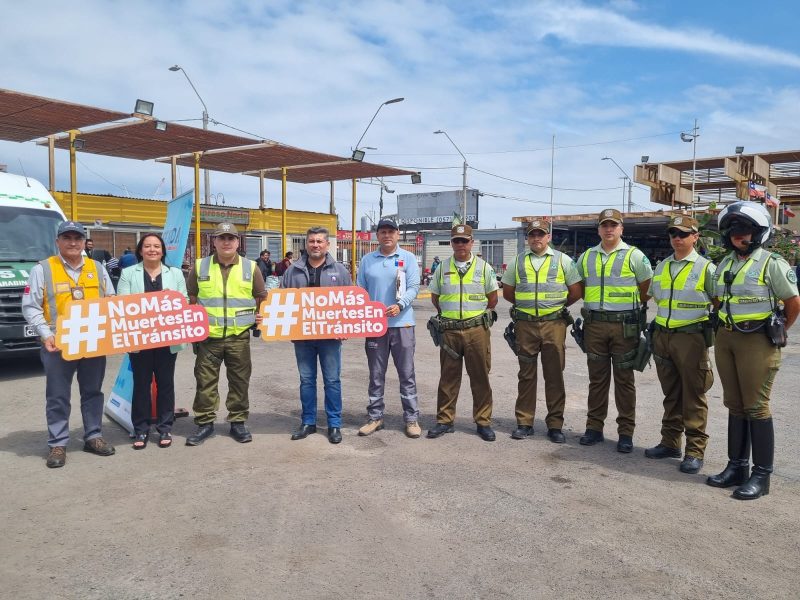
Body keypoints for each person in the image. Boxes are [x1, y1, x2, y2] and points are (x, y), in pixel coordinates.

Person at [707, 202, 799, 500]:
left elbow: (793, 302)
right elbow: (717, 298)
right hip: (727, 337)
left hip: (757, 340)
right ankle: (737, 467)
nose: (738, 235)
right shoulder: (725, 263)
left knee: (756, 406)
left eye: (745, 229)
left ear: (759, 233)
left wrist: (780, 327)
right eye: (733, 230)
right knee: (735, 404)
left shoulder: (772, 263)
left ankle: (761, 476)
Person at [22, 221, 116, 468]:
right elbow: (30, 306)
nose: (73, 242)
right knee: (57, 395)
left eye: (77, 238)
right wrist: (45, 334)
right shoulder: (43, 269)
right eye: (67, 238)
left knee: (93, 392)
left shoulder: (97, 268)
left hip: (93, 342)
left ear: (85, 242)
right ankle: (58, 443)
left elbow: (111, 300)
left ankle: (93, 436)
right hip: (58, 344)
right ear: (58, 242)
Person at [576, 208, 653, 453]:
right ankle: (594, 428)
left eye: (613, 225)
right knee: (597, 379)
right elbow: (579, 286)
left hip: (624, 327)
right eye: (604, 225)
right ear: (598, 229)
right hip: (595, 325)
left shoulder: (635, 256)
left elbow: (646, 288)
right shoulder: (586, 256)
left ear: (621, 228)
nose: (608, 229)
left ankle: (625, 433)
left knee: (624, 380)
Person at [644, 215, 716, 474]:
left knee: (694, 395)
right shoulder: (662, 266)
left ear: (695, 237)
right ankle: (670, 443)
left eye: (683, 234)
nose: (677, 237)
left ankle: (695, 451)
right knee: (671, 393)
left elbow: (718, 303)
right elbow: (653, 297)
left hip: (692, 338)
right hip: (664, 336)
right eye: (674, 233)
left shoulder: (706, 268)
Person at [501, 219, 582, 443]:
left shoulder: (563, 261)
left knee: (554, 375)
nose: (536, 238)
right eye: (532, 234)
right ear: (528, 238)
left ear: (548, 237)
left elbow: (575, 291)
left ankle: (555, 425)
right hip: (525, 325)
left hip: (553, 325)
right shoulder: (517, 262)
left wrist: (555, 308)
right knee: (526, 375)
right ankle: (524, 422)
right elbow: (508, 293)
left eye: (540, 234)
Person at [185, 222, 266, 446]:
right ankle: (205, 423)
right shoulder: (199, 267)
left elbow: (261, 298)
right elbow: (192, 298)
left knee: (239, 381)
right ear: (215, 241)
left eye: (231, 238)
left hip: (238, 337)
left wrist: (259, 318)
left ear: (238, 242)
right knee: (205, 381)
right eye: (222, 238)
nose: (226, 242)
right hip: (208, 338)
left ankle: (238, 422)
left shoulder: (251, 268)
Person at [427, 224, 499, 442]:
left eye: (464, 240)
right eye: (456, 241)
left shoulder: (484, 267)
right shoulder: (442, 268)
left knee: (480, 377)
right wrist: (448, 316)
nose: (460, 245)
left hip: (476, 329)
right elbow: (435, 297)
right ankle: (445, 421)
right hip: (449, 331)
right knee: (448, 378)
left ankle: (483, 422)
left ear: (472, 242)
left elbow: (493, 298)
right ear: (451, 243)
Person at [117, 233, 189, 449]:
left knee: (166, 384)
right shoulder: (129, 273)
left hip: (167, 340)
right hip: (140, 340)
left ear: (163, 250)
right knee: (141, 384)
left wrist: (172, 299)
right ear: (140, 250)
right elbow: (122, 303)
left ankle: (165, 427)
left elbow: (184, 301)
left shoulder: (175, 274)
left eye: (156, 246)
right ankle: (140, 429)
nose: (152, 250)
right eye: (147, 246)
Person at [282, 227, 353, 444]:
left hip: (330, 339)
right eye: (311, 241)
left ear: (327, 245)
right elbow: (282, 302)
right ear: (306, 244)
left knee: (332, 381)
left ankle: (334, 424)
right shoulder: (292, 271)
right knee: (306, 380)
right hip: (302, 338)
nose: (315, 245)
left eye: (320, 241)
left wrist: (346, 326)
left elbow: (348, 302)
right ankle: (308, 422)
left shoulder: (339, 271)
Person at [356, 218, 422, 438]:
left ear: (398, 234)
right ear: (377, 235)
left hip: (402, 324)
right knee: (376, 374)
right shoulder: (367, 260)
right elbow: (360, 291)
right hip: (376, 326)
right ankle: (375, 417)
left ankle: (411, 419)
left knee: (407, 374)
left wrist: (400, 305)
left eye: (391, 231)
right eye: (382, 231)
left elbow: (414, 287)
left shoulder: (408, 258)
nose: (387, 235)